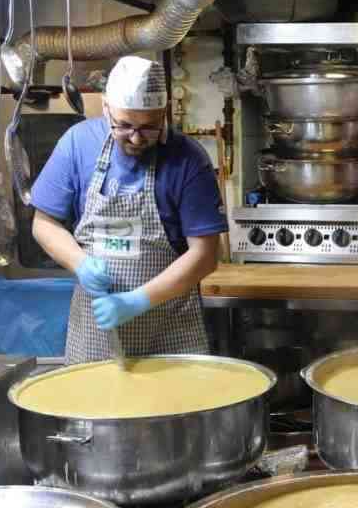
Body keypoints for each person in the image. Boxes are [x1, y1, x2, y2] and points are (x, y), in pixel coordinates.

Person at [30, 56, 226, 363]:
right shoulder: (77, 144)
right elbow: (43, 224)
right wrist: (80, 262)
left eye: (149, 127)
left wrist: (136, 301)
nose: (135, 138)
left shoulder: (188, 159)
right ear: (106, 107)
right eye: (124, 126)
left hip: (169, 337)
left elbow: (205, 255)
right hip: (96, 338)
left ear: (164, 112)